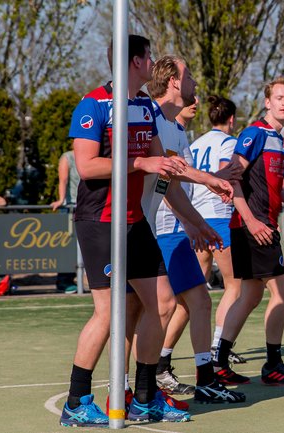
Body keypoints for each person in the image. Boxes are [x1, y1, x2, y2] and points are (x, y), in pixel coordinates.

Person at [60, 35, 195, 427]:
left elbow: (161, 163)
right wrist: (140, 165)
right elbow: (87, 167)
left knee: (163, 302)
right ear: (136, 61)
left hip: (135, 221)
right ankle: (76, 401)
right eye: (149, 56)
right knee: (107, 313)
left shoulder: (142, 106)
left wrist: (209, 180)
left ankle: (145, 398)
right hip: (100, 221)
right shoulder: (94, 104)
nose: (153, 62)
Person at [139, 56, 244, 405]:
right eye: (190, 78)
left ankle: (200, 378)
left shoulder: (178, 129)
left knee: (195, 301)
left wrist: (196, 223)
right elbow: (170, 176)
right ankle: (141, 383)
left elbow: (174, 181)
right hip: (153, 229)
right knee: (158, 307)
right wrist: (198, 211)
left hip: (171, 228)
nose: (196, 86)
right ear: (172, 81)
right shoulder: (150, 117)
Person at [211, 77, 284, 387]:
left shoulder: (277, 139)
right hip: (253, 227)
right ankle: (273, 364)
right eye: (279, 97)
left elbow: (260, 184)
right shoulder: (255, 133)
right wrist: (252, 222)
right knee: (283, 292)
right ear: (267, 102)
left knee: (251, 295)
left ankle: (219, 360)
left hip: (255, 225)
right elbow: (232, 176)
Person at [189, 95, 247, 367]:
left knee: (195, 290)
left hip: (196, 217)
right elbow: (225, 171)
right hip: (219, 217)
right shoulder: (229, 142)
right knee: (234, 286)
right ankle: (218, 345)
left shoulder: (196, 142)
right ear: (232, 119)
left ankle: (167, 353)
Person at [50, 150, 80, 293]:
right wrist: (61, 200)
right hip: (71, 207)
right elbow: (63, 179)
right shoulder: (67, 157)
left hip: (91, 205)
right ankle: (64, 281)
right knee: (69, 245)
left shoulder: (98, 154)